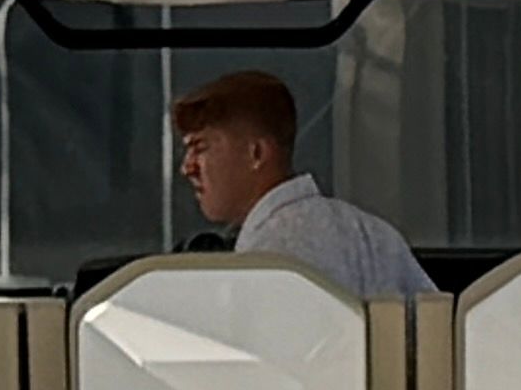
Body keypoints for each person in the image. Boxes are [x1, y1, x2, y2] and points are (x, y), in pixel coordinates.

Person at [168, 70, 437, 301]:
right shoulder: (372, 233)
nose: (187, 167)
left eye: (199, 148)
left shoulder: (270, 259)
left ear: (256, 154)